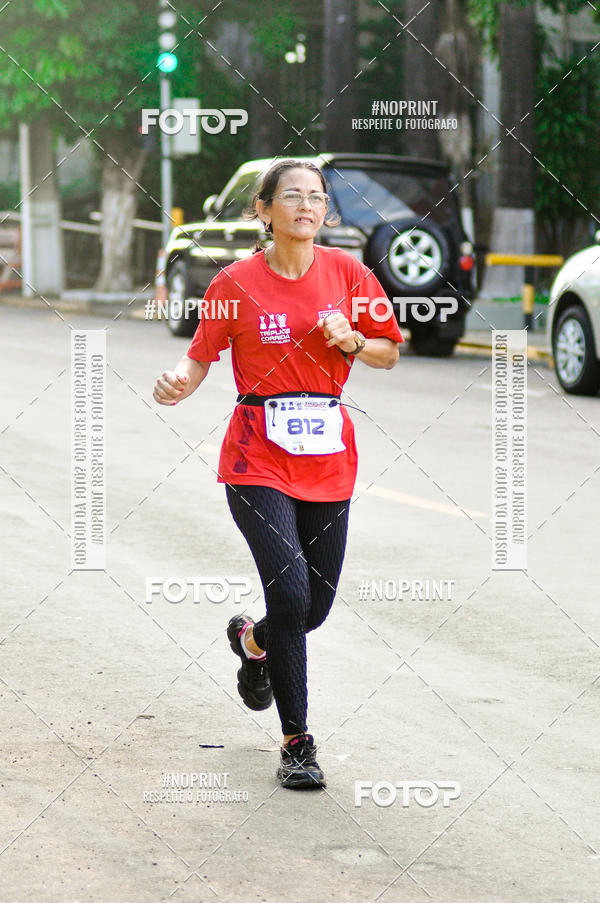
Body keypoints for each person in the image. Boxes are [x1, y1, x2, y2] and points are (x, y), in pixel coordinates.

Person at [153, 158, 404, 789]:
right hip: (255, 460)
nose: (306, 206)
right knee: (290, 595)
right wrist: (180, 383)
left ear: (326, 210)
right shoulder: (235, 283)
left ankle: (253, 641)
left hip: (329, 462)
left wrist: (352, 342)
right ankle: (298, 742)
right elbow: (200, 355)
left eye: (316, 197)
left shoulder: (350, 274)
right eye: (291, 196)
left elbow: (389, 352)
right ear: (264, 210)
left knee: (312, 608)